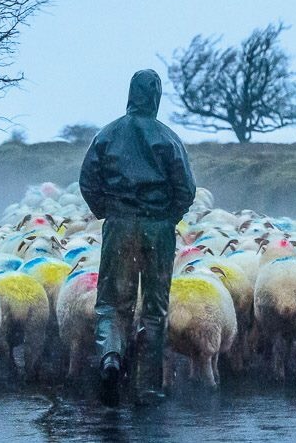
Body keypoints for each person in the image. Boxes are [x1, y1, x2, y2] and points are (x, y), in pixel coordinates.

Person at [79, 69, 196, 406]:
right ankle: (147, 386)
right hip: (158, 230)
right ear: (156, 96)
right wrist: (168, 217)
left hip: (120, 227)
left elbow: (87, 180)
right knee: (155, 308)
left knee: (113, 303)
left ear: (131, 94)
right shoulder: (167, 138)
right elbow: (186, 188)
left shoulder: (107, 135)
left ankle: (111, 359)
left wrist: (107, 210)